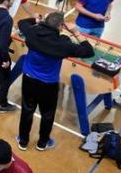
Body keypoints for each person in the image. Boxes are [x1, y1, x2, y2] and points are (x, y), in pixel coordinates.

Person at [16, 13, 94, 151]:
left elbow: (22, 23)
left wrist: (35, 19)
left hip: (29, 79)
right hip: (48, 84)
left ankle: (23, 141)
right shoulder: (63, 43)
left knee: (27, 110)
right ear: (60, 26)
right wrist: (76, 32)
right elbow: (88, 51)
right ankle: (42, 143)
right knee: (47, 114)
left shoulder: (33, 32)